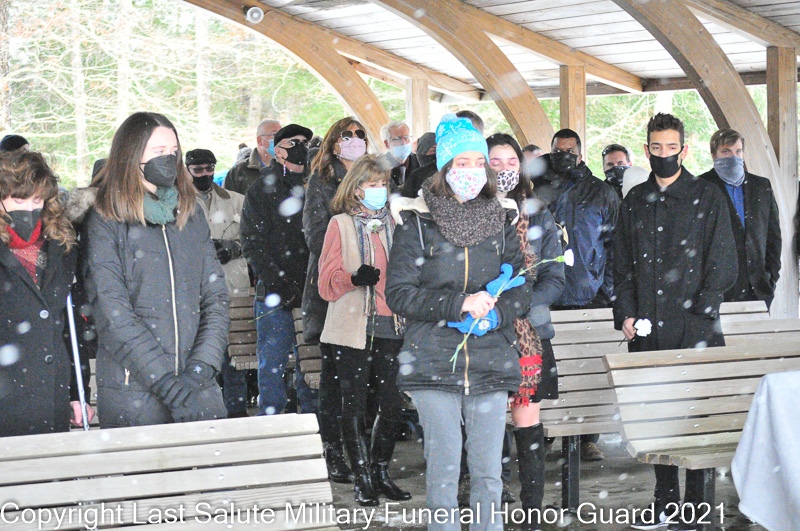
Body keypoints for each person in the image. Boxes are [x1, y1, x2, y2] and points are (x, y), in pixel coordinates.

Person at [386, 115, 531, 531]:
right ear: (445, 168)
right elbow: (399, 293)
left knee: (489, 473)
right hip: (432, 361)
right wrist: (458, 304)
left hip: (490, 360)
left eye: (477, 162)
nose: (471, 171)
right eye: (461, 163)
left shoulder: (502, 220)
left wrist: (498, 313)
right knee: (444, 471)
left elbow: (522, 285)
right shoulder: (417, 222)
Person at [614, 113, 737, 530]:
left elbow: (723, 259)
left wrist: (703, 307)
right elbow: (622, 265)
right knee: (657, 418)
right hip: (647, 331)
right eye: (656, 147)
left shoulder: (707, 196)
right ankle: (664, 501)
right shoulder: (635, 200)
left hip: (696, 328)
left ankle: (697, 505)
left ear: (684, 150)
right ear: (646, 149)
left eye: (671, 147)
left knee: (696, 419)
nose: (663, 154)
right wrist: (626, 313)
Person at [84, 112, 229, 427]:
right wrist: (165, 383)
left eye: (173, 151)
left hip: (198, 391)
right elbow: (112, 313)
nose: (169, 159)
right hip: (133, 391)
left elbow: (215, 298)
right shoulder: (106, 219)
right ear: (131, 154)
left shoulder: (191, 215)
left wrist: (199, 371)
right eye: (159, 151)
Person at [318, 154, 410, 506]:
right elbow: (326, 282)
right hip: (352, 325)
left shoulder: (396, 222)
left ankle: (381, 470)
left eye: (383, 184)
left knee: (391, 404)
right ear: (356, 189)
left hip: (391, 322)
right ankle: (362, 477)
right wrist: (353, 278)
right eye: (372, 185)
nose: (379, 190)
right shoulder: (340, 224)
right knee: (353, 403)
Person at [487, 133, 564, 521]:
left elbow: (555, 276)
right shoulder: (472, 213)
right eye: (495, 162)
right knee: (486, 418)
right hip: (484, 332)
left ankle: (533, 509)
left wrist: (520, 304)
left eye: (511, 162)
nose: (504, 170)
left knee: (527, 419)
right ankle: (492, 499)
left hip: (530, 332)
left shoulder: (538, 215)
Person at [535, 129, 620, 461]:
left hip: (589, 294)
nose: (564, 156)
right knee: (549, 368)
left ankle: (587, 437)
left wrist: (606, 288)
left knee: (587, 368)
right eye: (558, 150)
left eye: (570, 151)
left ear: (581, 154)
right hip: (546, 293)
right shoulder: (538, 189)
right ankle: (545, 432)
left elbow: (615, 244)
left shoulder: (601, 192)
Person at [0, 151, 94, 436]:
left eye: (37, 200)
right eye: (18, 200)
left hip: (51, 394)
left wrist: (77, 392)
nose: (29, 209)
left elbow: (70, 326)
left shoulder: (61, 246)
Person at [302, 116, 369, 483]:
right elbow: (315, 235)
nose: (355, 139)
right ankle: (333, 450)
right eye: (348, 134)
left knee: (365, 380)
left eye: (361, 134)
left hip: (371, 292)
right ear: (334, 142)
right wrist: (350, 253)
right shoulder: (322, 181)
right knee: (335, 379)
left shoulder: (373, 179)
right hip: (334, 291)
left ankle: (363, 453)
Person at [240, 124, 317, 416]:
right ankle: (270, 425)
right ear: (278, 149)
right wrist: (278, 283)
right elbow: (252, 242)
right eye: (293, 142)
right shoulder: (261, 189)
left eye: (305, 142)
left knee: (310, 366)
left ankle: (312, 424)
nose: (301, 147)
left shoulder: (316, 186)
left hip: (312, 291)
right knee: (272, 365)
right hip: (274, 294)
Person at [186, 148, 250, 418]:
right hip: (194, 291)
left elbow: (254, 238)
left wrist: (234, 247)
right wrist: (200, 249)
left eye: (209, 168)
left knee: (236, 355)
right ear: (187, 171)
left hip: (233, 287)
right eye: (198, 170)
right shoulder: (178, 204)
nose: (205, 174)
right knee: (202, 353)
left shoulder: (237, 201)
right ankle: (205, 411)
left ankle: (236, 410)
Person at [698, 128, 781, 308]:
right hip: (717, 292)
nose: (733, 157)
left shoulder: (761, 186)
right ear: (713, 155)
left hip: (759, 289)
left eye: (738, 151)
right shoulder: (700, 188)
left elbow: (773, 237)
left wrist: (771, 277)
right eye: (726, 151)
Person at [223, 119, 281, 194]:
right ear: (260, 140)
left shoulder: (288, 168)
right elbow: (226, 199)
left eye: (282, 135)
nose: (280, 140)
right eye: (274, 135)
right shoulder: (238, 172)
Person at [381, 120, 419, 189]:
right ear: (387, 144)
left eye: (406, 138)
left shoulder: (419, 162)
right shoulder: (379, 167)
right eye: (397, 139)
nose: (404, 142)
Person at [401, 132, 436, 199]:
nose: (437, 155)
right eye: (434, 150)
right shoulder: (414, 175)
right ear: (422, 152)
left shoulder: (445, 173)